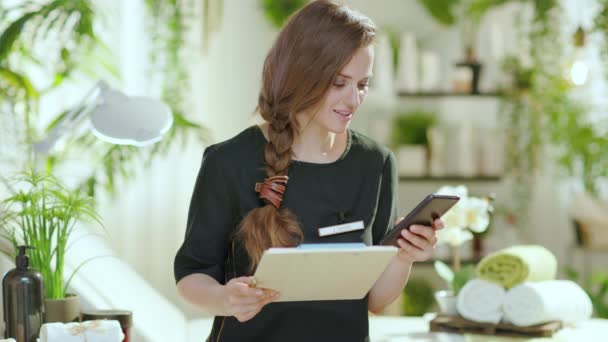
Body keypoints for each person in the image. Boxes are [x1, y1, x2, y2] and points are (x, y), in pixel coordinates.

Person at [174, 1, 444, 341]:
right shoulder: (228, 162)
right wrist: (226, 298)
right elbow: (191, 275)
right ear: (302, 74)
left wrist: (404, 257)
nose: (354, 99)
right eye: (339, 82)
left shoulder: (375, 164)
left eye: (362, 84)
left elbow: (374, 299)